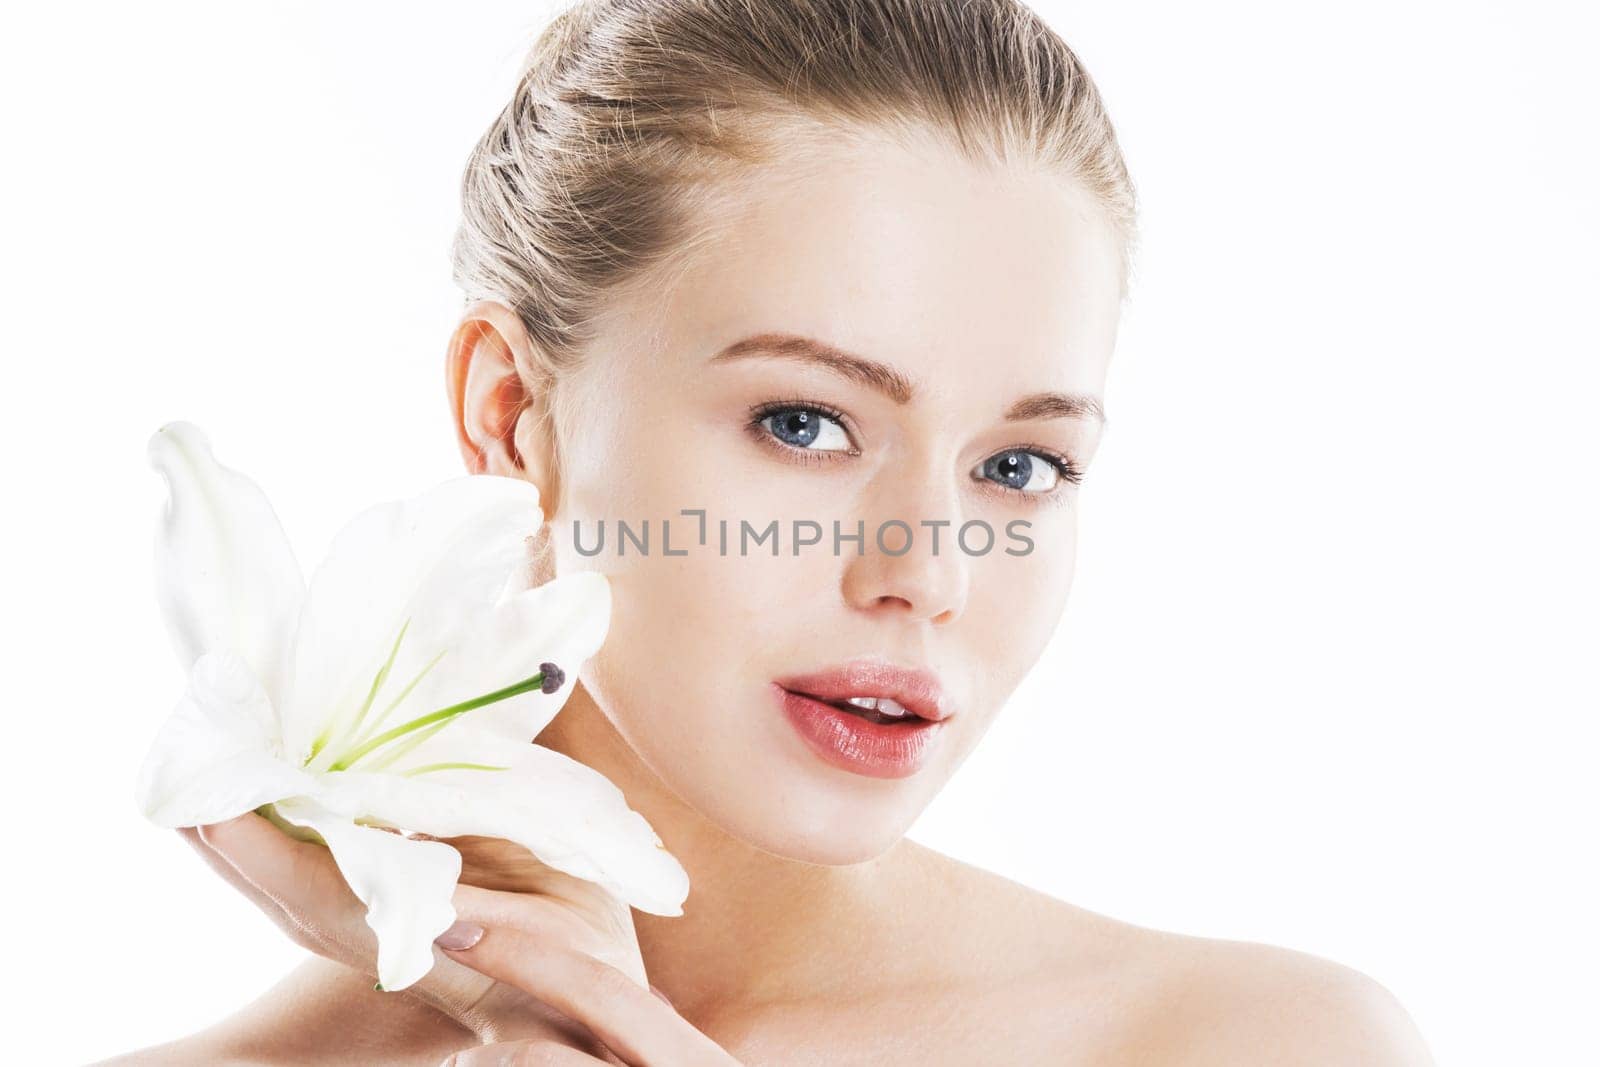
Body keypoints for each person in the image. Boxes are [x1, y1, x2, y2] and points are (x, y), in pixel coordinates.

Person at [101, 0, 1436, 1063]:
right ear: (513, 415)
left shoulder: (1255, 1049)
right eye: (805, 424)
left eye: (1021, 464)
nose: (926, 575)